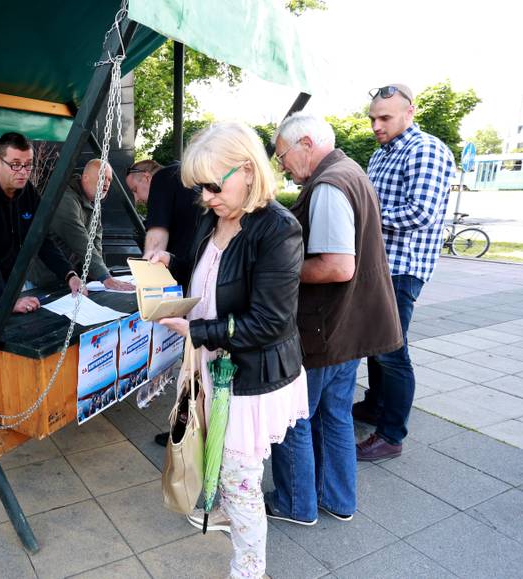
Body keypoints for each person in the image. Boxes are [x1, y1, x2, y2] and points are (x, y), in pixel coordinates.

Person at [151, 122, 309, 579]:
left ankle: (249, 570)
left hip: (252, 377)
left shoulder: (278, 228)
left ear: (247, 170)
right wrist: (170, 264)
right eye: (199, 188)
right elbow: (208, 271)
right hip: (216, 367)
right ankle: (228, 523)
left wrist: (197, 330)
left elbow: (269, 322)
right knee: (225, 468)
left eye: (212, 186)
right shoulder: (213, 217)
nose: (204, 197)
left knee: (241, 483)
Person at [266, 113, 402, 526]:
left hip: (326, 327)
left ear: (306, 143)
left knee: (295, 417)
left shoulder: (328, 184)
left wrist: (280, 271)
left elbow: (337, 266)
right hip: (348, 326)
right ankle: (337, 500)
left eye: (282, 155)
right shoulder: (350, 171)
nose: (283, 166)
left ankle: (295, 503)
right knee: (335, 415)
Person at [354, 84, 455, 460]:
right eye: (373, 118)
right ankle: (375, 405)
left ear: (409, 112)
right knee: (376, 344)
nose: (376, 126)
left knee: (392, 351)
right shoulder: (383, 154)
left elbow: (422, 214)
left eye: (385, 118)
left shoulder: (424, 149)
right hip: (379, 265)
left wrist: (363, 220)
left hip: (402, 269)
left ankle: (391, 435)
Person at [0, 132, 82, 315]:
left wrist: (69, 274)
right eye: (15, 165)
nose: (23, 172)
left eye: (28, 165)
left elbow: (42, 240)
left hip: (6, 280)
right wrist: (7, 301)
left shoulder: (27, 193)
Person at [127, 159, 203, 447]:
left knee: (192, 363)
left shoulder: (164, 178)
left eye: (135, 189)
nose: (138, 199)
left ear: (146, 176)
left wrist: (145, 284)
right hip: (202, 275)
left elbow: (156, 242)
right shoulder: (189, 176)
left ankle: (186, 432)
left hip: (189, 282)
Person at [29, 159, 134, 291]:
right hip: (43, 280)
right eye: (102, 177)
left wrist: (98, 274)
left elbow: (96, 241)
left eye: (109, 179)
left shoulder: (94, 203)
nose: (106, 183)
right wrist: (104, 276)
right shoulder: (65, 199)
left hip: (68, 280)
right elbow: (80, 241)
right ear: (85, 178)